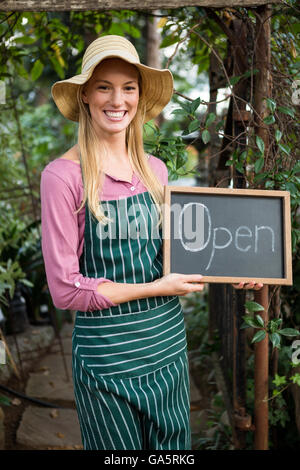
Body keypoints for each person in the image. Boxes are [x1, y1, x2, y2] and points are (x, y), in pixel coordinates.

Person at [40, 35, 263, 451]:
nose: (117, 99)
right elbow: (66, 290)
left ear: (139, 97)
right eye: (104, 86)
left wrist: (234, 268)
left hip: (166, 349)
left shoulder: (155, 171)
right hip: (107, 358)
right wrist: (156, 289)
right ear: (85, 94)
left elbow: (172, 255)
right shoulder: (62, 177)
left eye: (128, 87)